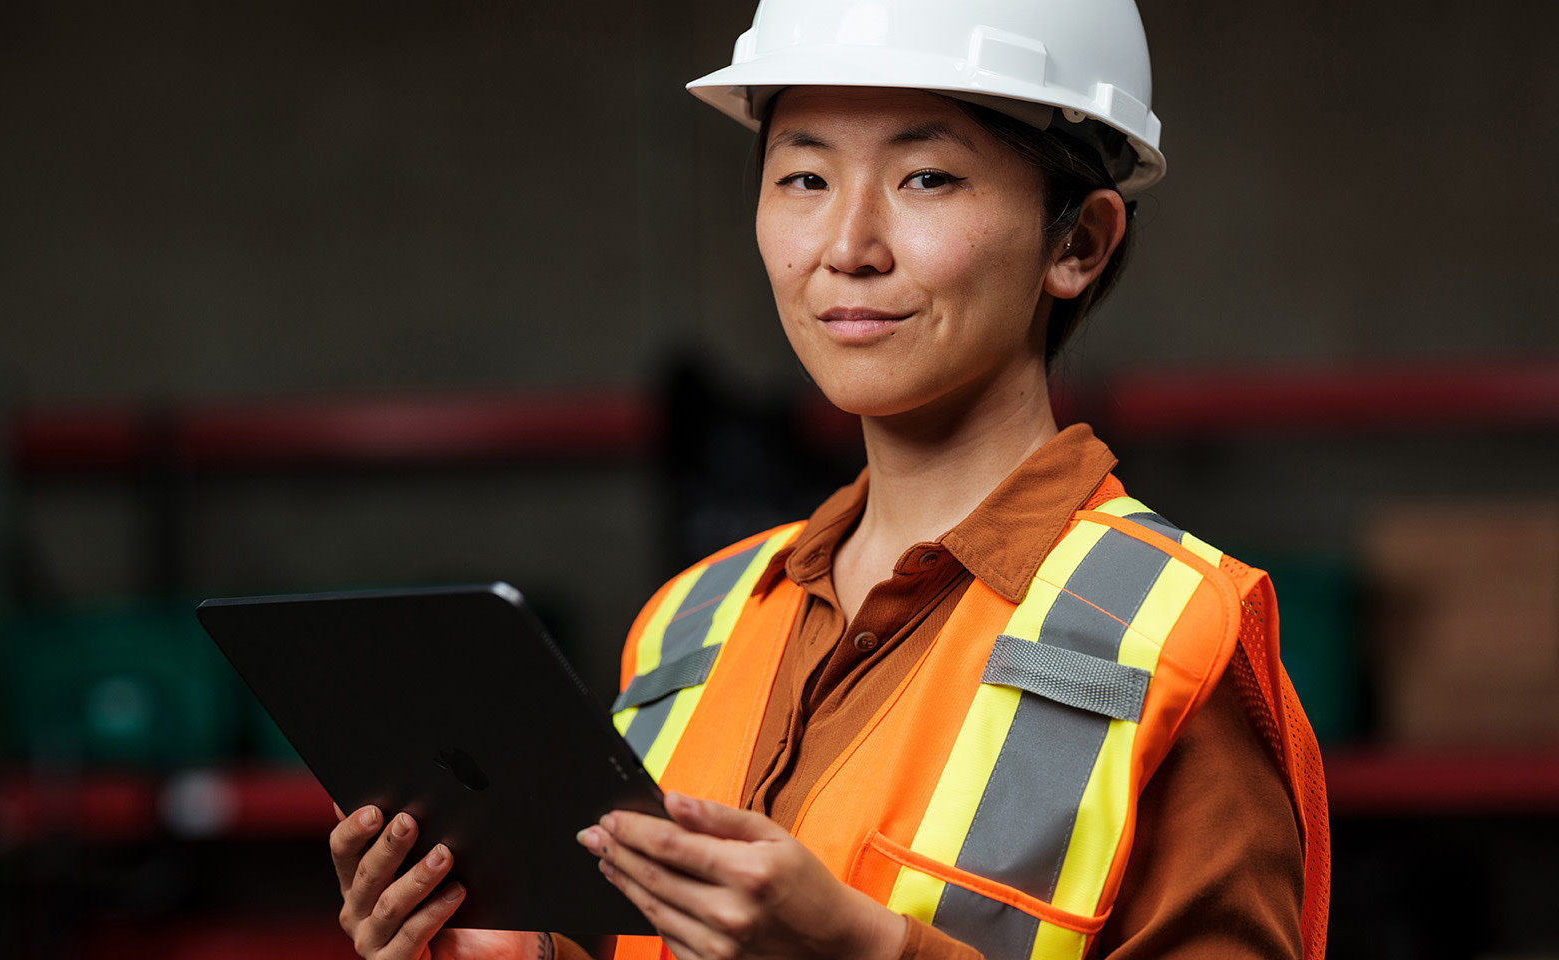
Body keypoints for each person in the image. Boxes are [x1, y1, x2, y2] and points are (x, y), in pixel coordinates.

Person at [323, 1, 1330, 958]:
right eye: (804, 179)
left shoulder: (1169, 637)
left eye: (926, 177)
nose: (846, 248)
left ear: (1077, 242)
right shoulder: (694, 625)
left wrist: (865, 949)